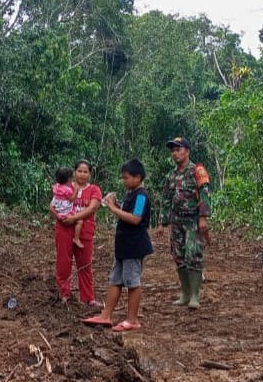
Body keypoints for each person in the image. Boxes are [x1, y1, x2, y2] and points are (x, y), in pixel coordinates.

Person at [83, 160, 153, 332]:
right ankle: (106, 315)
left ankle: (132, 319)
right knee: (115, 280)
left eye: (126, 178)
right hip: (123, 246)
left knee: (132, 282)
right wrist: (116, 205)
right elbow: (128, 214)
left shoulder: (141, 195)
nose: (124, 181)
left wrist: (114, 208)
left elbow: (135, 218)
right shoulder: (131, 193)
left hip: (134, 246)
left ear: (138, 177)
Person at [162, 137, 212, 309]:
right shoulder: (171, 175)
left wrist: (203, 217)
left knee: (194, 255)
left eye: (178, 149)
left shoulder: (197, 171)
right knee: (179, 256)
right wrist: (163, 222)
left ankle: (194, 296)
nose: (175, 153)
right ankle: (185, 293)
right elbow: (167, 199)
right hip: (177, 220)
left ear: (187, 151)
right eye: (173, 151)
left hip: (193, 220)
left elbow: (205, 194)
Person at [54, 159, 103, 306]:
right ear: (74, 172)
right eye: (79, 171)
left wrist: (74, 217)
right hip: (64, 229)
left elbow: (92, 208)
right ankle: (64, 295)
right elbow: (54, 204)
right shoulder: (65, 186)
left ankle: (88, 298)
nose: (82, 174)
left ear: (90, 173)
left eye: (85, 171)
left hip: (85, 230)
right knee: (63, 262)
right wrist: (58, 216)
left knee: (85, 265)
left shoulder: (94, 189)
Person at [50, 167, 84, 249]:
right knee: (79, 221)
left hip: (58, 211)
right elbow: (71, 199)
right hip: (66, 212)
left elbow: (53, 203)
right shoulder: (67, 190)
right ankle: (76, 238)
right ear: (69, 179)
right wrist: (76, 190)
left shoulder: (56, 187)